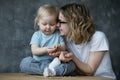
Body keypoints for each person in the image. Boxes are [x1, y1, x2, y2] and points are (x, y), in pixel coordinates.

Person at [52, 3, 116, 80]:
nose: (57, 25)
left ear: (74, 23)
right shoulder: (68, 41)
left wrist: (72, 57)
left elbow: (90, 71)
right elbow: (80, 71)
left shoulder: (98, 37)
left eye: (61, 22)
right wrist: (60, 54)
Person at [20, 4, 75, 77]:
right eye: (44, 24)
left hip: (55, 62)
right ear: (38, 22)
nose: (48, 27)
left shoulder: (58, 34)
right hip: (39, 62)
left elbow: (64, 47)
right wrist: (46, 49)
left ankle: (52, 71)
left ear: (56, 24)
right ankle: (50, 70)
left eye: (52, 24)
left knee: (72, 65)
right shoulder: (37, 35)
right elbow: (34, 50)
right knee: (24, 63)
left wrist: (59, 48)